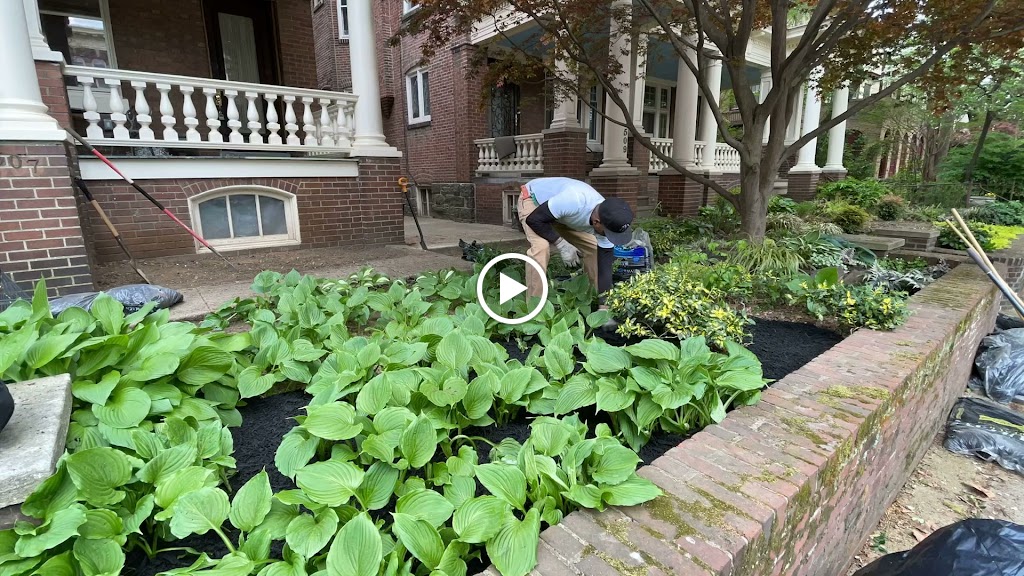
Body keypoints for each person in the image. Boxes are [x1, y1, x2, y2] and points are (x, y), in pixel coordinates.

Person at [517, 177, 635, 300]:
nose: (608, 236)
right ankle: (534, 304)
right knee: (541, 247)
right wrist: (562, 244)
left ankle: (594, 298)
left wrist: (604, 304)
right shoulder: (574, 200)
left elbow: (605, 267)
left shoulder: (608, 218)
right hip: (534, 200)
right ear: (596, 222)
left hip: (560, 212)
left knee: (594, 248)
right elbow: (534, 220)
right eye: (607, 233)